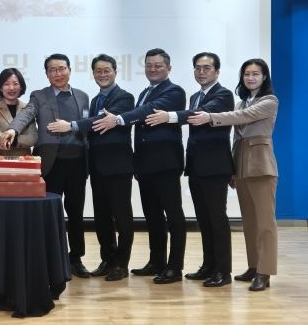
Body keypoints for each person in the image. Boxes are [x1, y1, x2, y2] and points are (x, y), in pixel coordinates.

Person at [92, 48, 186, 284]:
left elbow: (146, 111)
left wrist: (119, 119)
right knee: (153, 216)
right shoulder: (144, 92)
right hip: (144, 164)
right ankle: (157, 261)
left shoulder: (174, 91)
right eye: (149, 65)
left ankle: (175, 267)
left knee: (173, 215)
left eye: (158, 65)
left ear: (168, 68)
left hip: (165, 162)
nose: (153, 69)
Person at [0, 54, 91, 278]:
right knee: (49, 212)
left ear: (69, 70)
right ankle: (50, 258)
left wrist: (73, 126)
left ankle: (76, 258)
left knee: (76, 213)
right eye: (52, 70)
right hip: (50, 163)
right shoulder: (39, 96)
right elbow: (26, 114)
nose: (58, 73)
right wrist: (12, 130)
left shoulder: (82, 96)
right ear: (47, 74)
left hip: (77, 162)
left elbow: (87, 124)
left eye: (61, 69)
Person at [188, 58, 278, 291]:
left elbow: (243, 117)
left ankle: (265, 271)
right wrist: (232, 169)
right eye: (247, 74)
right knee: (249, 221)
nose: (250, 78)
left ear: (264, 77)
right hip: (241, 164)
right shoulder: (241, 102)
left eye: (255, 74)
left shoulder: (269, 101)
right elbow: (236, 137)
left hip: (261, 165)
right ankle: (253, 266)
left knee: (265, 223)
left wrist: (211, 117)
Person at [146, 52, 235, 287]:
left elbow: (198, 117)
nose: (201, 72)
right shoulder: (195, 96)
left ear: (217, 71)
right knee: (204, 219)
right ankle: (208, 266)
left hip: (215, 167)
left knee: (217, 219)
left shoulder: (223, 94)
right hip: (196, 166)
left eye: (207, 68)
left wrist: (169, 116)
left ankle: (223, 271)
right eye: (198, 68)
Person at [49, 54, 135, 281]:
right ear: (93, 74)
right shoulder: (94, 99)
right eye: (98, 71)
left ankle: (121, 263)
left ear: (115, 72)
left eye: (107, 70)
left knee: (122, 216)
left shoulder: (124, 98)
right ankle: (107, 259)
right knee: (102, 216)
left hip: (117, 167)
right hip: (96, 167)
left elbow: (99, 122)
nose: (102, 74)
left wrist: (71, 125)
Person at [0, 68, 37, 156]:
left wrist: (13, 140)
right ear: (0, 88)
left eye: (15, 84)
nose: (11, 88)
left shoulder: (28, 108)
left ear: (21, 87)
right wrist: (8, 140)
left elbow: (32, 138)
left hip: (23, 159)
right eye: (6, 84)